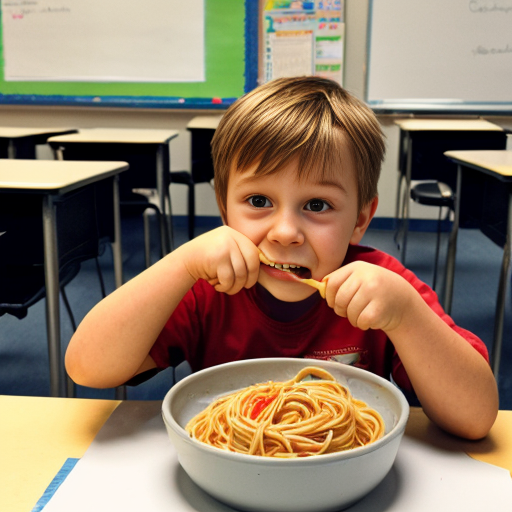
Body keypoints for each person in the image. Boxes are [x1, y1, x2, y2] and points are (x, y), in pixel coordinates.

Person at [66, 76, 498, 440]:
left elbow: (476, 418)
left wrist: (406, 316)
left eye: (317, 206)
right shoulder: (205, 288)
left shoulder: (384, 290)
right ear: (224, 209)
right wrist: (178, 264)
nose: (286, 232)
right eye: (258, 200)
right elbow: (87, 367)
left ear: (362, 217)